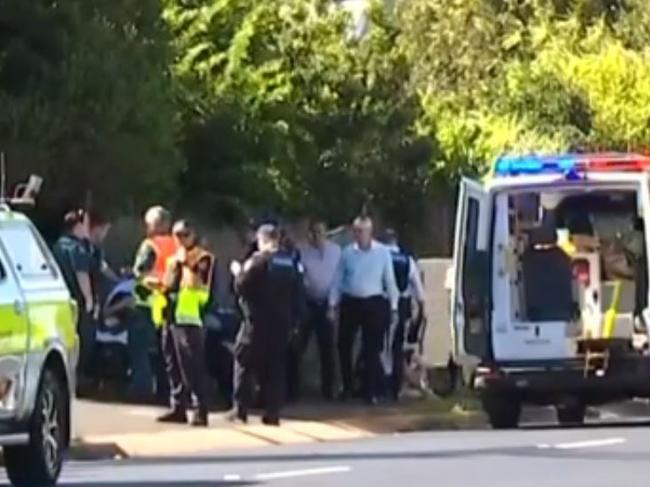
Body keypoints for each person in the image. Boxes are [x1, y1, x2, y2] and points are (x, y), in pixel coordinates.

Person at [229, 224, 305, 426]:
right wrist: (296, 321)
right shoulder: (290, 262)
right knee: (275, 367)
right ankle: (273, 412)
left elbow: (242, 286)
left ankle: (240, 410)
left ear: (262, 240)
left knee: (243, 361)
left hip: (256, 322)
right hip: (282, 323)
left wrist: (237, 272)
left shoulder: (258, 260)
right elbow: (299, 293)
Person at [329, 216, 399, 405]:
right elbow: (337, 280)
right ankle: (347, 386)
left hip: (373, 302)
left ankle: (370, 391)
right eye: (357, 232)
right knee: (344, 345)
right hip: (351, 301)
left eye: (363, 231)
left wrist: (394, 307)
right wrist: (332, 304)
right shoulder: (347, 253)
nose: (359, 235)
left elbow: (389, 280)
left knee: (371, 348)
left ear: (370, 232)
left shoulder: (382, 252)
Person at [158, 221, 214, 427]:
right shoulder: (174, 259)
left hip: (191, 318)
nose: (180, 239)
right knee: (172, 363)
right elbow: (169, 285)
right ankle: (178, 407)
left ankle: (200, 410)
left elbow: (199, 282)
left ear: (193, 235)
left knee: (192, 366)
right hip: (171, 315)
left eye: (184, 234)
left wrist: (185, 263)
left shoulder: (202, 257)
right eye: (176, 235)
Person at [130, 206, 178, 401]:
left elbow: (140, 271)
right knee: (164, 351)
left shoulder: (150, 245)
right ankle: (166, 392)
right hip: (168, 304)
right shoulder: (177, 245)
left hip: (147, 303)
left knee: (140, 349)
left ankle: (141, 390)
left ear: (154, 225)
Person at [293, 219, 341, 400]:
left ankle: (329, 390)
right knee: (298, 347)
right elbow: (298, 276)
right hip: (308, 304)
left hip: (327, 304)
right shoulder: (302, 251)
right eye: (314, 233)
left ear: (326, 233)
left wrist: (333, 304)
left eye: (321, 232)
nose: (317, 236)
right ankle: (293, 390)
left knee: (327, 348)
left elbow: (338, 278)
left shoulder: (336, 252)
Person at [53, 209, 94, 393]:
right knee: (81, 341)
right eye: (85, 224)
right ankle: (78, 381)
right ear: (77, 226)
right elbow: (82, 274)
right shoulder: (77, 247)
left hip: (60, 300)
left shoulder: (58, 245)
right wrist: (89, 299)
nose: (88, 229)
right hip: (76, 301)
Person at [383, 229, 425, 401]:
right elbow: (419, 292)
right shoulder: (407, 260)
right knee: (397, 348)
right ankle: (396, 388)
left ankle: (380, 385)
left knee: (380, 347)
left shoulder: (379, 257)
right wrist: (420, 312)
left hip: (382, 303)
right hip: (402, 305)